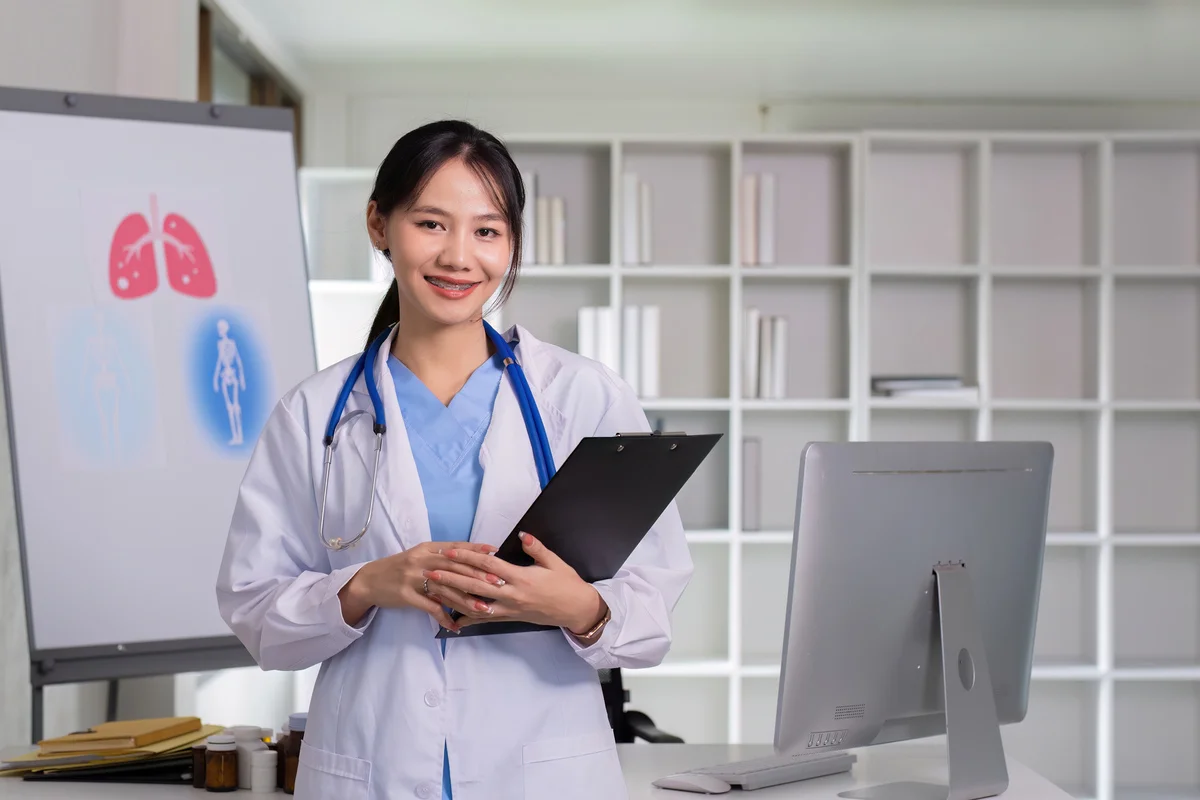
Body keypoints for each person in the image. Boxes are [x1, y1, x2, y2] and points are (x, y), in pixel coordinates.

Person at [215, 120, 693, 800]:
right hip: (371, 764)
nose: (459, 256)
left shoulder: (582, 397)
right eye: (432, 224)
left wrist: (578, 607)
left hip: (543, 771)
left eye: (487, 231)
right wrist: (365, 587)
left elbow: (654, 605)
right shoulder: (314, 413)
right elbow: (257, 612)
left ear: (512, 243)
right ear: (380, 224)